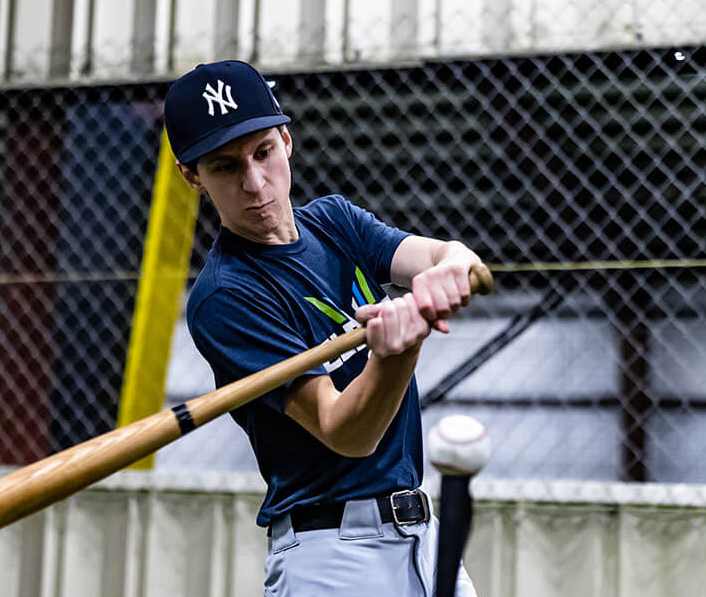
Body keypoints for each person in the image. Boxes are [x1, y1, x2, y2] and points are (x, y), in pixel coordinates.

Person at [164, 60, 480, 597]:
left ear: (286, 140)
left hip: (422, 539)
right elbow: (347, 432)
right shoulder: (226, 297)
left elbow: (440, 256)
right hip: (333, 557)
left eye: (262, 152)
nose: (255, 182)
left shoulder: (334, 222)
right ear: (192, 175)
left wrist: (451, 266)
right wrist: (398, 353)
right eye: (224, 167)